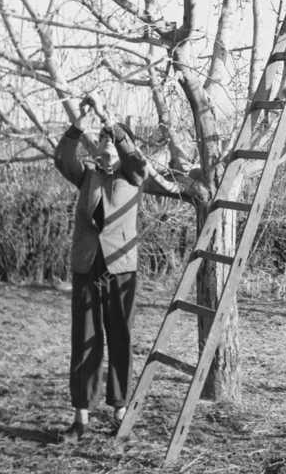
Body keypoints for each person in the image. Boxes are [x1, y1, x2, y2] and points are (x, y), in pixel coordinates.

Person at [53, 93, 206, 443]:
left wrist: (113, 125)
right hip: (86, 267)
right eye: (103, 140)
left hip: (121, 268)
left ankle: (120, 410)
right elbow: (62, 159)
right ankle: (81, 418)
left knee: (120, 337)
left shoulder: (134, 176)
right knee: (85, 340)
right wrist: (80, 124)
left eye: (112, 142)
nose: (106, 146)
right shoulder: (86, 176)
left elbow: (137, 162)